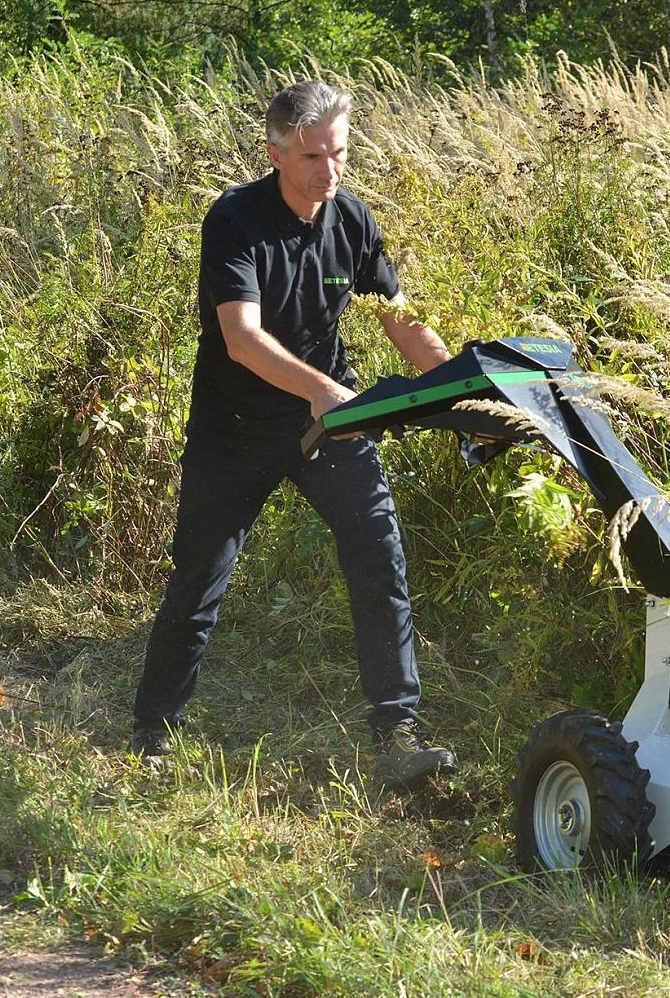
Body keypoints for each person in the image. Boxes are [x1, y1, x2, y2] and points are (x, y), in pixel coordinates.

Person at [130, 80, 456, 788]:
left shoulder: (353, 220)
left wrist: (463, 388)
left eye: (339, 153)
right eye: (312, 156)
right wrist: (323, 391)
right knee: (200, 576)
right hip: (236, 427)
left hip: (330, 424)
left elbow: (401, 320)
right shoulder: (236, 220)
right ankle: (154, 730)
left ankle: (396, 731)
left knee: (378, 555)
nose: (329, 171)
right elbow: (242, 338)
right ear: (276, 153)